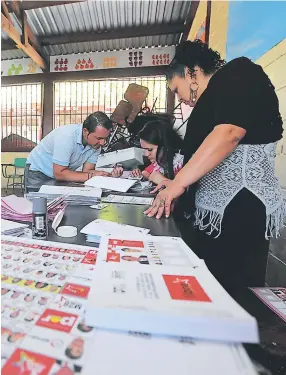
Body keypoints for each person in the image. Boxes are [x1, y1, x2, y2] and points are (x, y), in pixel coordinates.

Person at [145, 40, 285, 293]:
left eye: (177, 90)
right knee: (211, 288)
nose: (181, 99)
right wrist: (177, 186)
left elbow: (229, 133)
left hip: (240, 208)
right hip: (216, 212)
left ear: (191, 72)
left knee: (233, 290)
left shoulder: (239, 73)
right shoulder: (214, 97)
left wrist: (178, 184)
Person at [24, 111, 123, 191]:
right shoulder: (66, 137)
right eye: (99, 138)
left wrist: (108, 174)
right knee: (38, 208)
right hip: (38, 172)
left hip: (59, 174)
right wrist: (92, 175)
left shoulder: (96, 144)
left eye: (105, 138)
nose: (102, 143)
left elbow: (87, 171)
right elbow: (59, 173)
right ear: (85, 131)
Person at [130, 116, 184, 185]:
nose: (146, 154)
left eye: (150, 150)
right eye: (144, 150)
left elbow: (184, 190)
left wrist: (163, 180)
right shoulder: (161, 161)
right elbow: (146, 172)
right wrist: (139, 173)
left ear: (164, 146)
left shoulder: (181, 164)